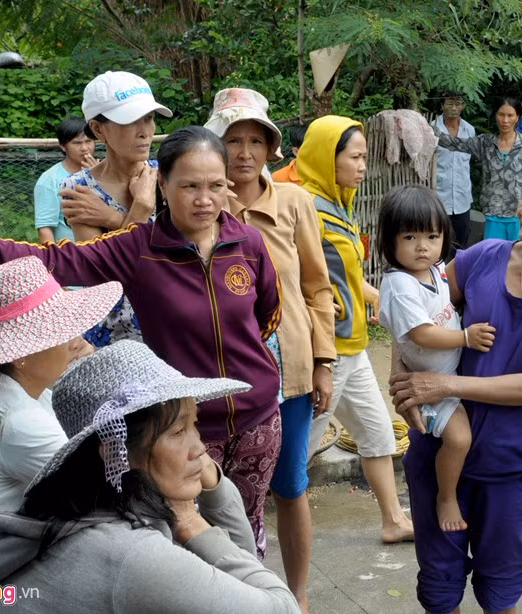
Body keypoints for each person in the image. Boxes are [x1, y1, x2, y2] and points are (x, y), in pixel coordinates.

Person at [0, 126, 284, 561]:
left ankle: (256, 593)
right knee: (187, 544)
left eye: (216, 186)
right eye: (190, 186)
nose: (205, 200)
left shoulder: (249, 243)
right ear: (162, 184)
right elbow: (51, 261)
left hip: (258, 420)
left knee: (248, 529)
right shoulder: (136, 249)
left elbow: (268, 314)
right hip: (182, 428)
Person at [389, 152, 522, 614]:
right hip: (437, 453)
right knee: (438, 588)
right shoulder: (486, 256)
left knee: (501, 589)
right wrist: (400, 371)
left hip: (511, 469)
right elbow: (414, 311)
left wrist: (446, 387)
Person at [0, 340, 300, 613]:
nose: (199, 447)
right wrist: (191, 523)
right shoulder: (131, 556)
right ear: (117, 454)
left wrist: (213, 486)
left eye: (194, 424)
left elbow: (239, 570)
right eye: (178, 431)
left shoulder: (67, 508)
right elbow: (280, 606)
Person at [204, 88, 336, 612]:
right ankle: (234, 593)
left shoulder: (294, 202)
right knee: (219, 488)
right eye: (232, 140)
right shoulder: (200, 203)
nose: (243, 152)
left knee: (290, 484)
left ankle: (296, 595)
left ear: (270, 147)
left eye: (255, 141)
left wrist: (323, 363)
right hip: (221, 369)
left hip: (290, 368)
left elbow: (317, 287)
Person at [0, 257, 118, 611]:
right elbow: (106, 491)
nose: (77, 340)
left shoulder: (8, 390)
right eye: (60, 331)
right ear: (20, 355)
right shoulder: (17, 419)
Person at [299, 115, 415, 544]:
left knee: (377, 433)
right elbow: (294, 277)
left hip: (353, 346)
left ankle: (394, 521)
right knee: (299, 449)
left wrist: (375, 297)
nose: (363, 166)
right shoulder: (305, 209)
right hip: (325, 351)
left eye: (364, 157)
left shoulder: (340, 205)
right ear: (325, 158)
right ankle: (263, 524)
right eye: (355, 157)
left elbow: (343, 276)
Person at [376, 185, 495, 532]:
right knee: (459, 439)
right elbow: (421, 334)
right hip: (429, 387)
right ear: (389, 241)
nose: (422, 247)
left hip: (449, 374)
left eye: (432, 236)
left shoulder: (437, 269)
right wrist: (465, 337)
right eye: (409, 237)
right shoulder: (400, 285)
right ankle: (446, 496)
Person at [57, 71, 173, 348]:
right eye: (131, 121)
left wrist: (113, 218)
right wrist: (140, 209)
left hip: (172, 325)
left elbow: (178, 258)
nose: (145, 131)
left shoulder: (168, 176)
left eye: (149, 118)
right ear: (98, 130)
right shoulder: (79, 188)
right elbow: (106, 277)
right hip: (114, 337)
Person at [435, 97, 522, 241]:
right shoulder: (485, 143)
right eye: (501, 115)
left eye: (510, 115)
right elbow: (454, 143)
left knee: (518, 252)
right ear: (495, 116)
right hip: (492, 213)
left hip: (518, 214)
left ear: (517, 118)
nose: (505, 120)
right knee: (492, 252)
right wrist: (427, 129)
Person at [33, 118, 95, 243]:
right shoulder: (50, 179)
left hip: (106, 249)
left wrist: (96, 176)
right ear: (63, 146)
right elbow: (45, 229)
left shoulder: (104, 171)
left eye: (88, 141)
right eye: (77, 143)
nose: (84, 148)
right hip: (71, 252)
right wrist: (53, 255)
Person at [431, 93, 476, 258]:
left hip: (462, 198)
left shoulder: (469, 130)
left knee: (460, 246)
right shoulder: (432, 128)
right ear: (442, 105)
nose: (455, 108)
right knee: (438, 245)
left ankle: (457, 274)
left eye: (458, 104)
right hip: (439, 198)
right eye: (450, 103)